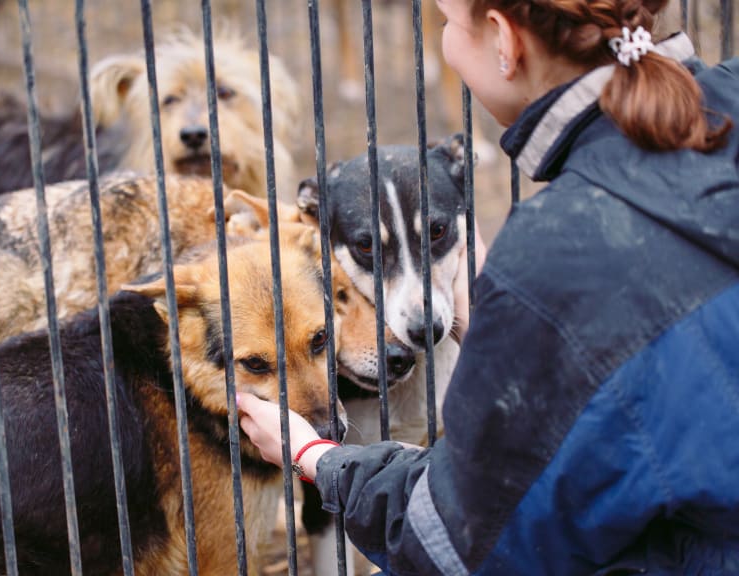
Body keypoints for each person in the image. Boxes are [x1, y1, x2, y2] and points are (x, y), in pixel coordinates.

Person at [237, 0, 739, 573]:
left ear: (504, 41)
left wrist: (313, 457)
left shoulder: (552, 250)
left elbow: (455, 540)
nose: (445, 40)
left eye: (447, 23)